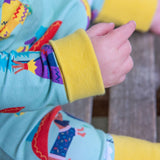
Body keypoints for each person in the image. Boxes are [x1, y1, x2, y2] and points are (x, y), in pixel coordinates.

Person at [0, 0, 160, 159]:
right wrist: (70, 67)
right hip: (9, 115)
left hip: (44, 18)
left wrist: (145, 9)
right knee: (77, 151)